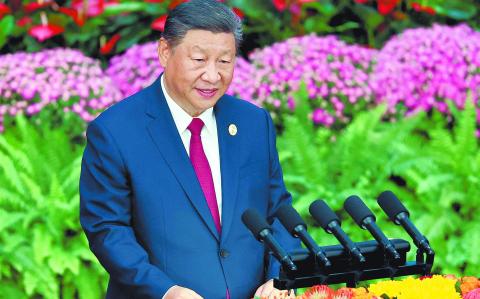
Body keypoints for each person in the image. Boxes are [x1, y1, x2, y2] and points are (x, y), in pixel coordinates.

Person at [79, 0, 300, 298]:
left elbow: (280, 213)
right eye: (198, 60)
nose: (212, 75)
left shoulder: (253, 123)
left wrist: (279, 277)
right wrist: (166, 291)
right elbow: (108, 230)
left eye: (224, 61)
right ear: (165, 52)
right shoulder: (115, 131)